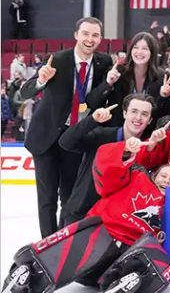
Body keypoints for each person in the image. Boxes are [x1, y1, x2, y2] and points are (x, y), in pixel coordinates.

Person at [1, 139, 170, 293]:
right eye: (163, 175)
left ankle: (127, 281)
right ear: (154, 175)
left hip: (128, 252)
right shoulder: (135, 177)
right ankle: (26, 278)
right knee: (72, 249)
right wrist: (124, 150)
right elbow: (107, 169)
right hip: (103, 235)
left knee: (156, 256)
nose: (167, 180)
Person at [18, 17, 113, 238]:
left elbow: (100, 96)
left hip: (75, 139)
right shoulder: (58, 60)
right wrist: (41, 81)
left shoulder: (103, 63)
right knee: (47, 199)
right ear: (76, 35)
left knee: (69, 198)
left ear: (100, 39)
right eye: (86, 34)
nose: (90, 39)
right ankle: (47, 245)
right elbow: (25, 92)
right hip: (47, 138)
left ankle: (63, 242)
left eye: (95, 35)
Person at [59, 93, 156, 225]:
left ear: (149, 120)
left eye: (144, 114)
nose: (138, 118)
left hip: (118, 221)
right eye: (134, 111)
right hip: (82, 213)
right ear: (124, 114)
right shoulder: (102, 136)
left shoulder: (148, 146)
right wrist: (92, 119)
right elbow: (66, 142)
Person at [85, 32, 161, 126]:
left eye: (145, 48)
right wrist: (108, 83)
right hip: (116, 129)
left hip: (145, 130)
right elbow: (91, 103)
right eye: (135, 47)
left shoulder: (160, 76)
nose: (139, 52)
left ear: (152, 52)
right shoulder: (117, 72)